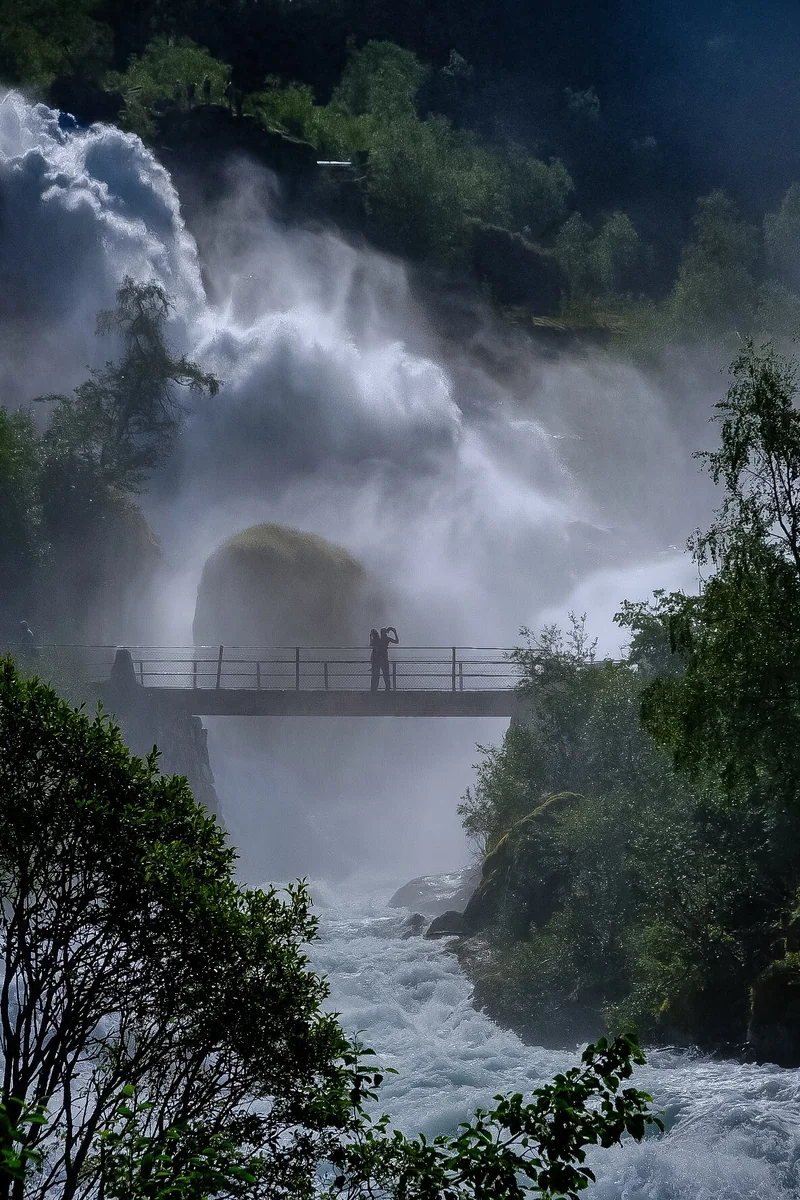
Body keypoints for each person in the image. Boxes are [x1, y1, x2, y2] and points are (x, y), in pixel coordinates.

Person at [379, 626, 399, 691]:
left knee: (381, 673)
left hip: (380, 658)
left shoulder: (380, 639)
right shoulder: (386, 639)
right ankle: (388, 688)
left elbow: (371, 644)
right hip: (384, 657)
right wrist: (395, 632)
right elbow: (397, 641)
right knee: (386, 674)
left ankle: (386, 688)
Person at [369, 628, 381, 692]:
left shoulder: (375, 641)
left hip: (375, 659)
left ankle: (373, 688)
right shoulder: (378, 640)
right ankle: (375, 688)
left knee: (374, 675)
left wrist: (370, 637)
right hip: (377, 659)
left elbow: (370, 644)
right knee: (377, 674)